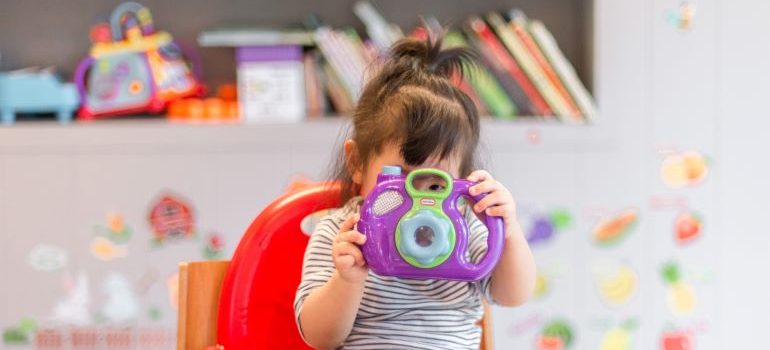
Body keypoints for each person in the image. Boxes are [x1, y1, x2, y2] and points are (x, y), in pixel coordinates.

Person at [294, 32, 536, 349]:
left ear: (461, 181)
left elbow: (513, 295)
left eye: (436, 185)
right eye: (400, 181)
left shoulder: (462, 227)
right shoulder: (342, 235)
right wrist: (347, 279)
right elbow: (318, 337)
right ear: (356, 162)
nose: (417, 203)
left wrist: (509, 232)